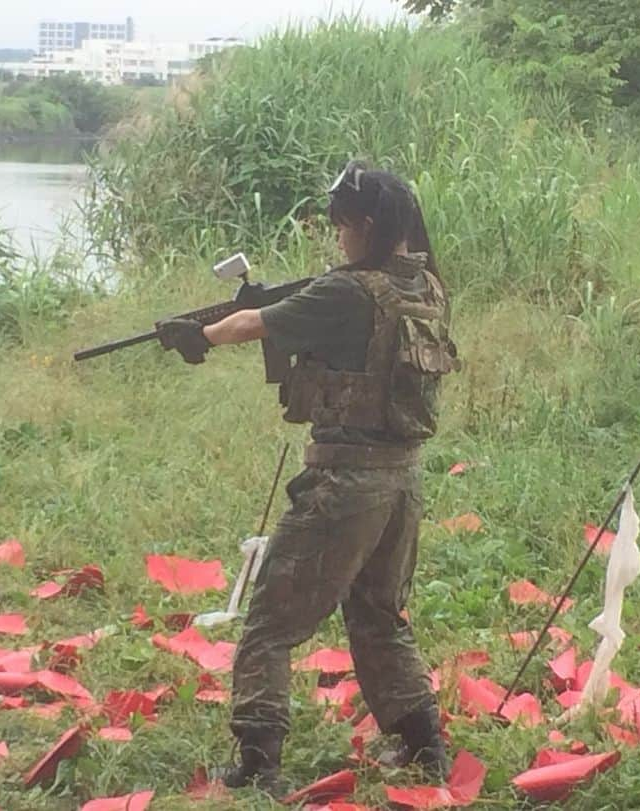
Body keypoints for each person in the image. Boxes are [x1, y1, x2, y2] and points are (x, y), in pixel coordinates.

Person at [156, 161, 460, 790]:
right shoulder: (427, 285)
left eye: (343, 226)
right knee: (380, 615)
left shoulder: (349, 291)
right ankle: (425, 744)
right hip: (402, 481)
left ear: (367, 224)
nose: (338, 238)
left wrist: (199, 335)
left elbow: (255, 324)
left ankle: (256, 763)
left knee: (271, 621)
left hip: (345, 485)